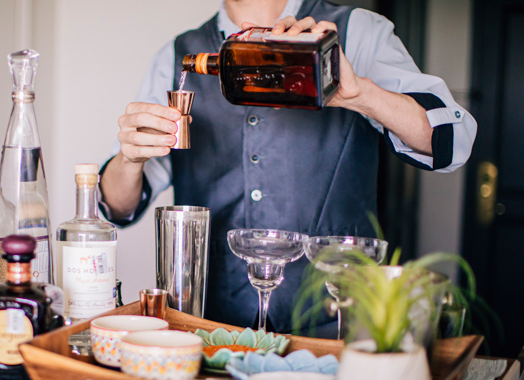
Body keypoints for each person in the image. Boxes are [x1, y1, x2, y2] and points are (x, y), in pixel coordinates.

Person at [98, 0, 477, 338]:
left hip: (338, 329)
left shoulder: (357, 31)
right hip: (213, 333)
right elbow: (118, 208)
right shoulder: (177, 53)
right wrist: (129, 159)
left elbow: (452, 140)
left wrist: (362, 94)